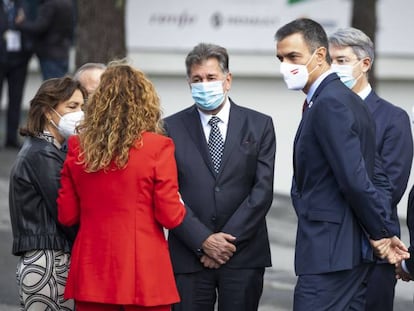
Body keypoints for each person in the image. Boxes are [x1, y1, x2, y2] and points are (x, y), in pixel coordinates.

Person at [274, 18, 409, 310]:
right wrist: (384, 232)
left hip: (329, 255)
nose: (285, 65)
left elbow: (356, 179)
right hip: (346, 253)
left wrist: (381, 234)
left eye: (293, 57)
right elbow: (376, 177)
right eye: (281, 58)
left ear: (319, 55)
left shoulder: (329, 102)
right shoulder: (345, 100)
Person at [57, 61, 186, 311]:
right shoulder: (158, 147)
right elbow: (170, 216)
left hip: (93, 269)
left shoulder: (77, 147)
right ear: (144, 103)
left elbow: (67, 215)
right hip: (144, 271)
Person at [164, 42, 276, 311]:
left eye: (211, 78)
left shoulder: (259, 125)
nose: (204, 85)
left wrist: (224, 243)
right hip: (189, 256)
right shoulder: (169, 128)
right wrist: (203, 241)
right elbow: (168, 192)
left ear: (227, 80)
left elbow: (261, 192)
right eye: (197, 79)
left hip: (243, 256)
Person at [328, 27, 413, 311]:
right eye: (330, 61)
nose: (333, 67)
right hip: (327, 251)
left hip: (372, 250)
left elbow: (389, 187)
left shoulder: (392, 118)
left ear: (365, 64)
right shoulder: (320, 111)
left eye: (341, 60)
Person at [8, 76, 87, 310]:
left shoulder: (44, 150)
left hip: (49, 259)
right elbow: (65, 212)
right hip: (49, 260)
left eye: (82, 106)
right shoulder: (42, 153)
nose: (80, 113)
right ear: (47, 110)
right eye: (72, 106)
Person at [0, 0, 34, 148]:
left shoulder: (24, 6)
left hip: (19, 61)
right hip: (1, 58)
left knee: (16, 100)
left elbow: (34, 27)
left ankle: (11, 138)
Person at [15, 0, 74, 80]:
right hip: (62, 51)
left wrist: (21, 24)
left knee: (51, 88)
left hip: (50, 53)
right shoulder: (67, 3)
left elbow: (40, 27)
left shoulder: (50, 4)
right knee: (60, 86)